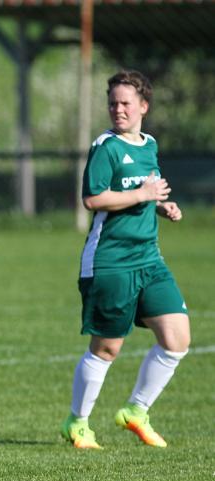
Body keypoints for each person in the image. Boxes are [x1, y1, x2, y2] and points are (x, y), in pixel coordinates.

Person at [62, 70, 190, 450]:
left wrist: (161, 205)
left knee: (177, 339)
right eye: (113, 103)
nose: (118, 109)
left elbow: (144, 190)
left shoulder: (149, 145)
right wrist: (142, 195)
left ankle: (136, 411)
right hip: (110, 262)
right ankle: (78, 423)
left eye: (125, 103)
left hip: (149, 258)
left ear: (143, 107)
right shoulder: (106, 147)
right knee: (107, 349)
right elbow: (93, 199)